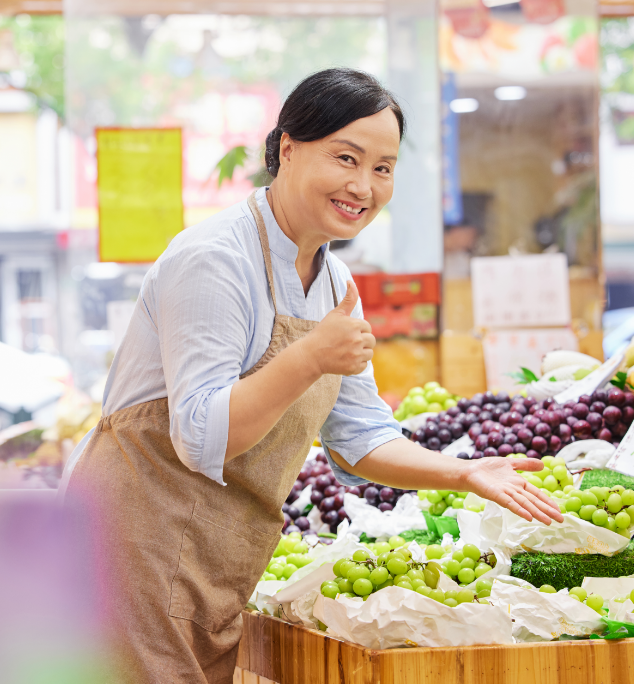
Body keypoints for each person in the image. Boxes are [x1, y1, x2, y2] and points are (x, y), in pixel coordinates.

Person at [60, 68, 562, 684]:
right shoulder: (213, 261)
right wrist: (309, 358)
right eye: (345, 157)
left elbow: (360, 438)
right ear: (288, 149)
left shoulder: (333, 283)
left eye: (383, 167)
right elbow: (200, 436)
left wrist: (463, 473)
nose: (364, 185)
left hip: (215, 557)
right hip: (132, 549)